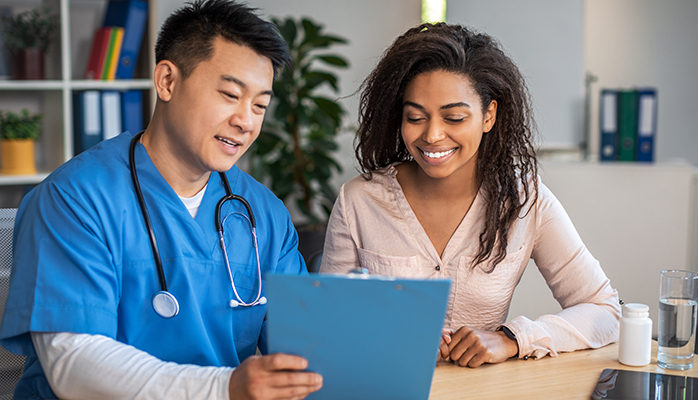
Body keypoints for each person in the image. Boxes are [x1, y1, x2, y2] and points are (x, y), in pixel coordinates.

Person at [0, 1, 323, 398]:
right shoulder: (73, 199)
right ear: (167, 81)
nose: (246, 121)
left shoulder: (264, 214)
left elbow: (305, 351)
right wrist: (224, 388)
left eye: (260, 105)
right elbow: (73, 362)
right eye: (229, 94)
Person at [319, 23, 620, 367]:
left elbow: (605, 310)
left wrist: (512, 338)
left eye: (455, 117)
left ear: (488, 115)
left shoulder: (525, 200)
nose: (432, 135)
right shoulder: (359, 200)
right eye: (415, 117)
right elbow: (328, 325)